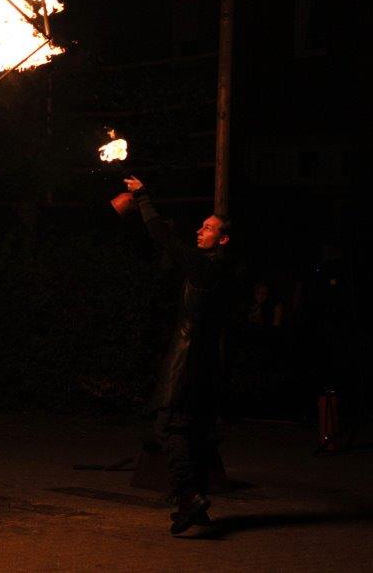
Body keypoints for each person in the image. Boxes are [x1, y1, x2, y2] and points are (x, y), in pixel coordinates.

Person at [124, 175, 235, 535]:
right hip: (207, 364)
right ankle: (197, 506)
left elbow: (163, 238)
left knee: (169, 427)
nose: (200, 231)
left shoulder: (205, 267)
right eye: (201, 225)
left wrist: (142, 196)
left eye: (208, 228)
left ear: (223, 239)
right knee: (196, 433)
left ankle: (188, 497)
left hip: (186, 360)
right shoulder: (223, 269)